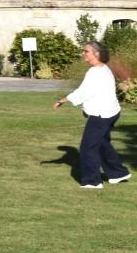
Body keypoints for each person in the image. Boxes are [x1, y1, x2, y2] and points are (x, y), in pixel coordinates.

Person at [53, 41, 131, 189]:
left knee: (88, 148)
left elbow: (83, 92)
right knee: (101, 143)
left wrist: (63, 100)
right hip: (111, 112)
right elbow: (95, 93)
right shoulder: (104, 69)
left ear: (96, 54)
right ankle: (118, 173)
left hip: (101, 115)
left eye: (86, 51)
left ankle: (92, 181)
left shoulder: (95, 72)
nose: (83, 54)